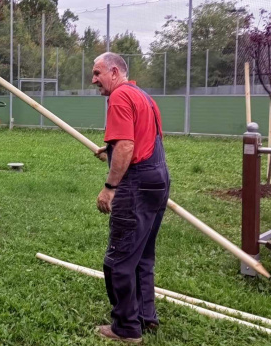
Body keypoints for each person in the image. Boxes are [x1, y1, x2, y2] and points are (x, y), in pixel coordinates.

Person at [91, 53, 170, 344]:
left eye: (97, 73)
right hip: (158, 179)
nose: (93, 80)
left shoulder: (119, 98)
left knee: (118, 260)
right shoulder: (142, 95)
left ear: (114, 71)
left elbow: (126, 145)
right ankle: (146, 318)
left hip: (136, 184)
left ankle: (126, 327)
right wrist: (109, 149)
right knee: (143, 256)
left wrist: (110, 187)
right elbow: (140, 137)